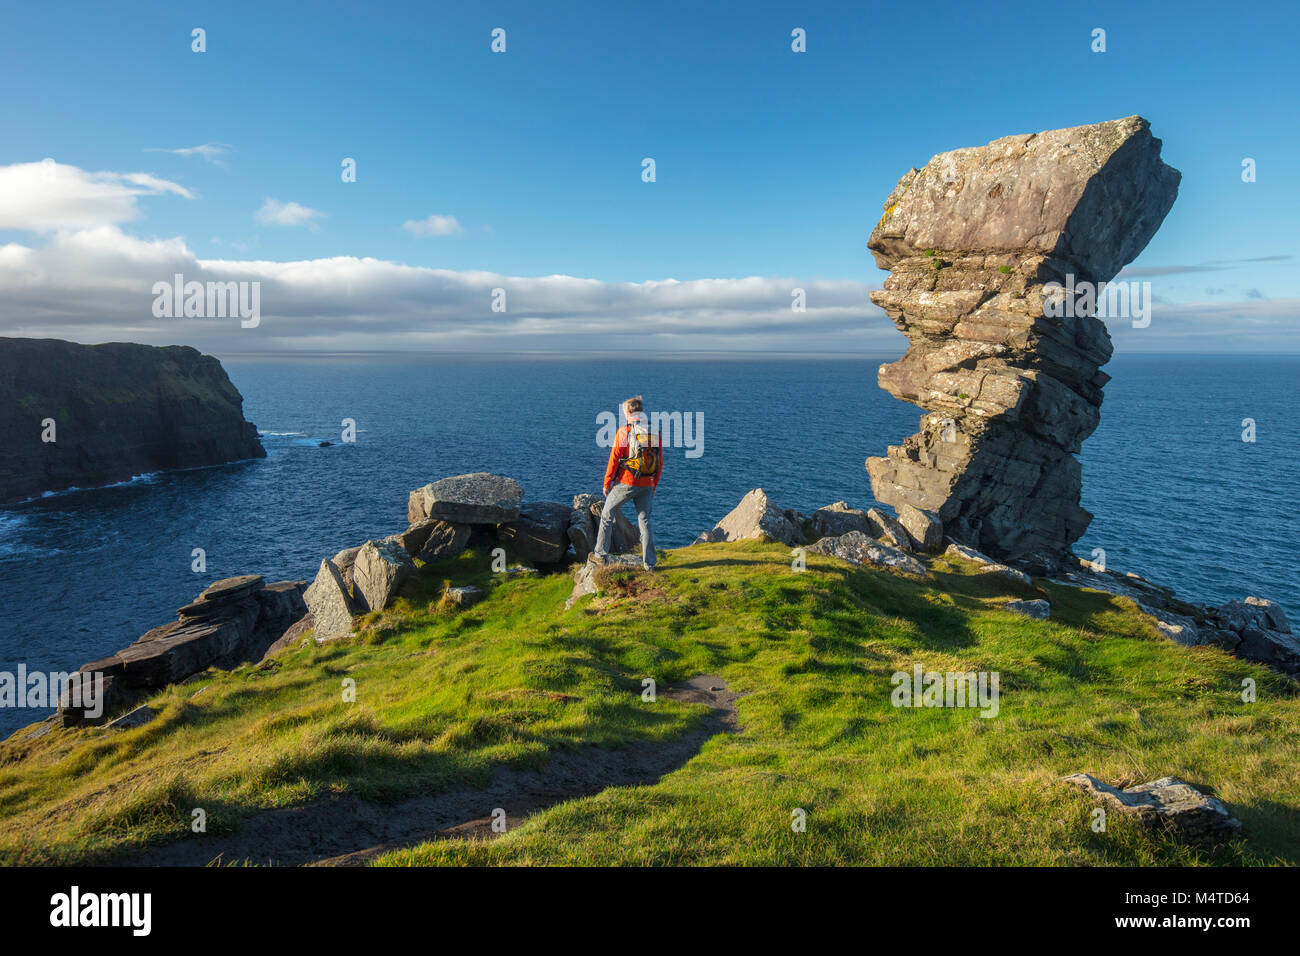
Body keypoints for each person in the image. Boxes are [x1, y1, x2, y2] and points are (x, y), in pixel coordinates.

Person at [592, 395, 662, 570]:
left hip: (627, 482)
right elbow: (659, 461)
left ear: (629, 412)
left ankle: (600, 554)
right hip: (647, 483)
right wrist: (654, 484)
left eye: (624, 411)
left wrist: (607, 483)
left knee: (607, 514)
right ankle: (649, 564)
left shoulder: (625, 431)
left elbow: (614, 459)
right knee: (645, 521)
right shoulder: (653, 431)